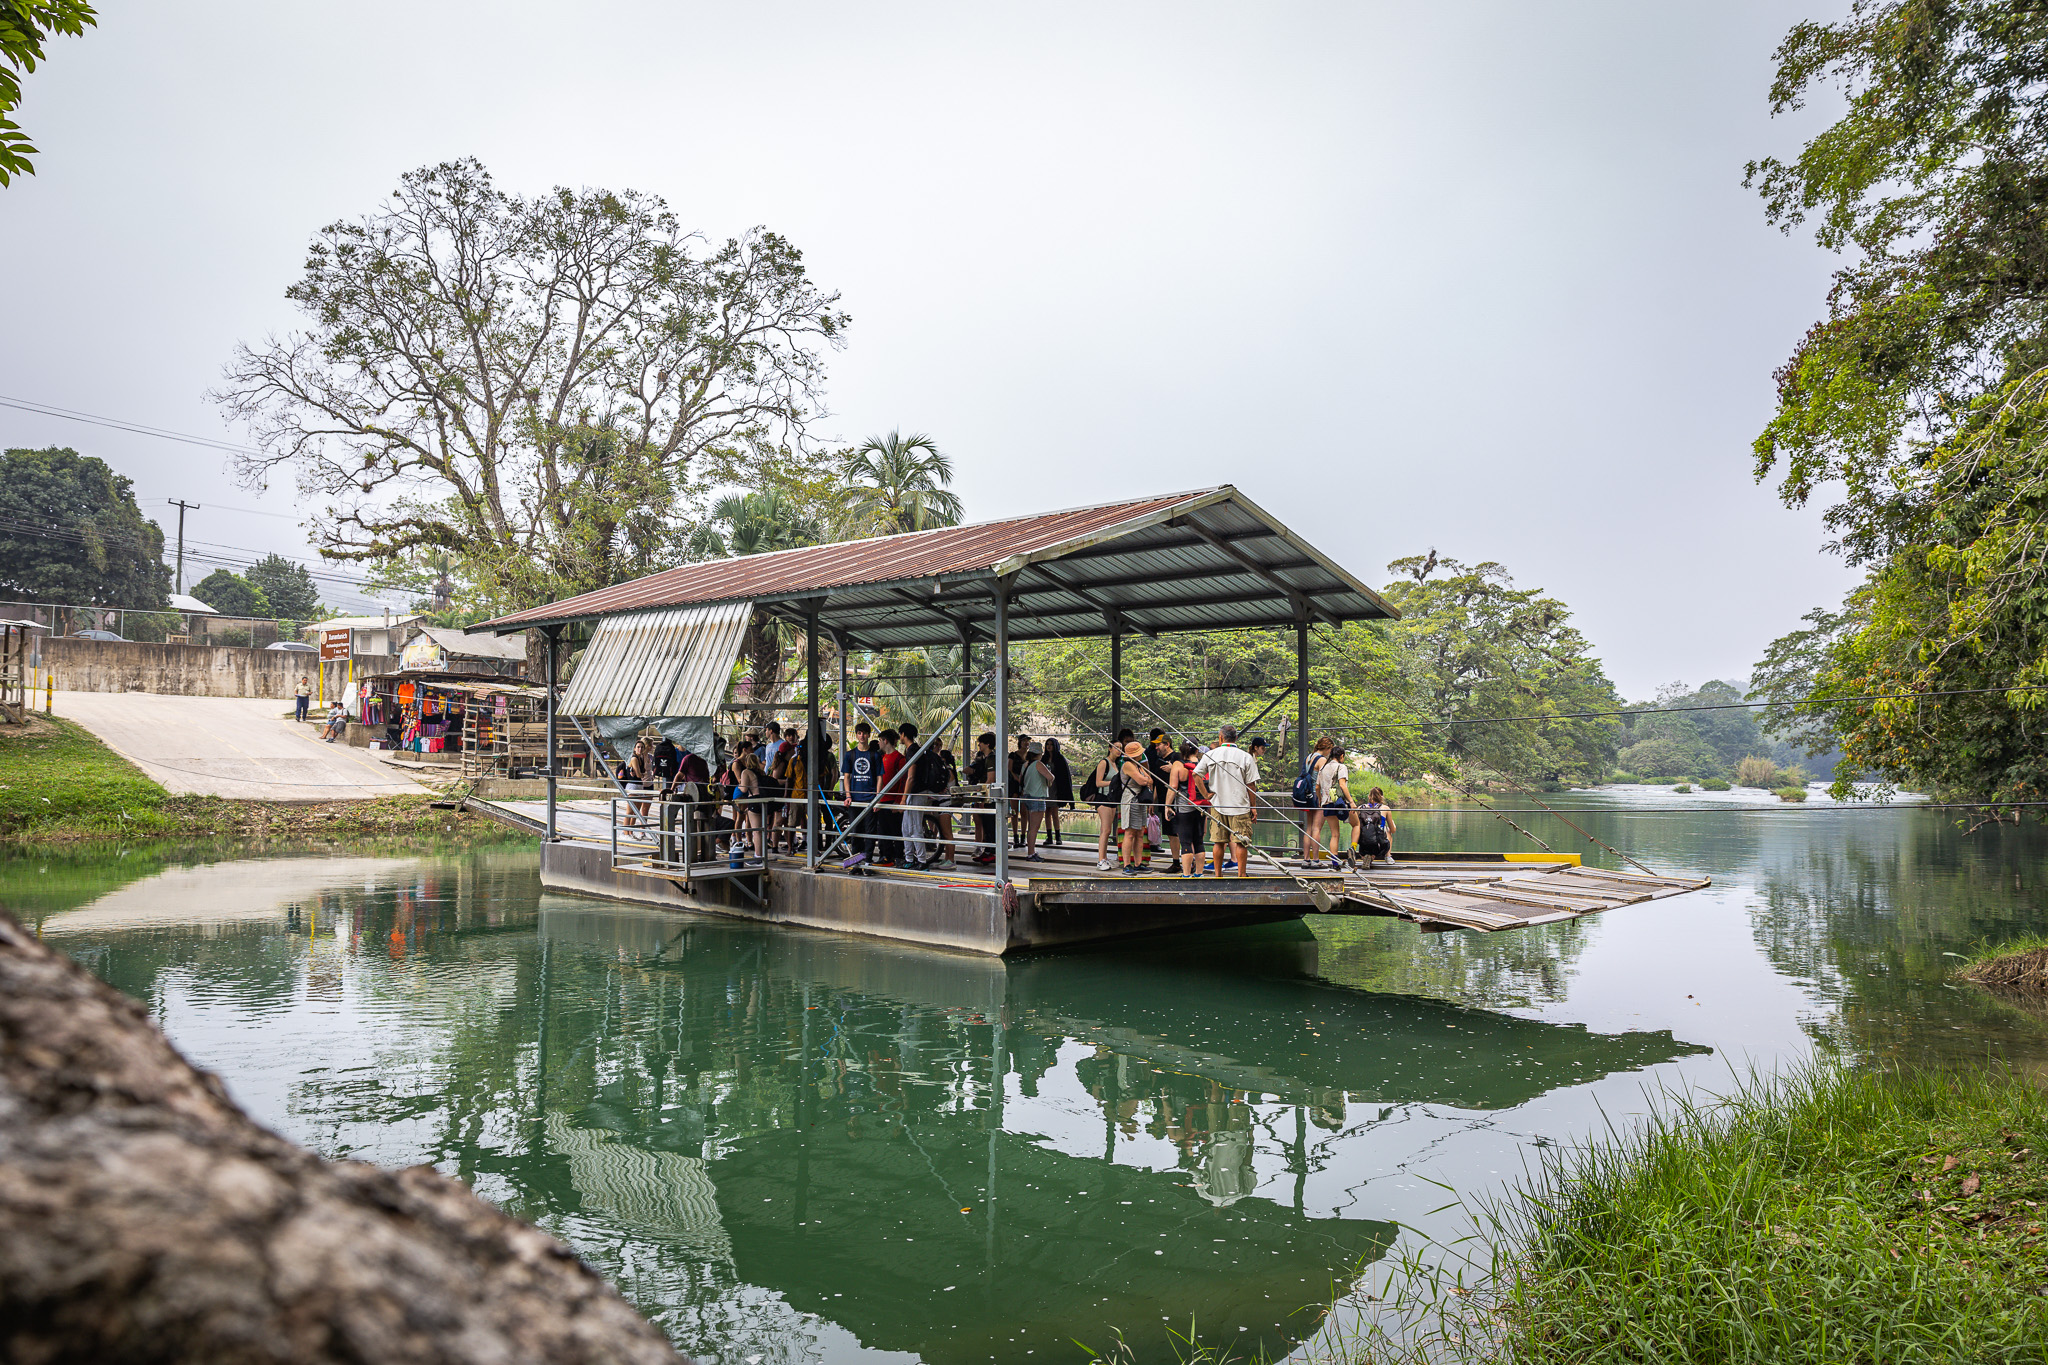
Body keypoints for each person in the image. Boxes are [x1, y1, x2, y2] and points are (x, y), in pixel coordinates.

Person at [1195, 724, 1260, 879]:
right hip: (1239, 805)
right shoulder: (1245, 756)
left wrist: (1205, 794)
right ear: (1236, 738)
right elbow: (1251, 785)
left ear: (1220, 737)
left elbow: (1196, 774)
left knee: (1218, 842)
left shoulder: (1211, 755)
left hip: (1217, 804)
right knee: (1241, 842)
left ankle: (1218, 875)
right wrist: (1253, 807)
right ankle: (1241, 874)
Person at [1167, 741, 1208, 876]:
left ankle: (1186, 874)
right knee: (1199, 841)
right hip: (1201, 806)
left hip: (1184, 808)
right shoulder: (1203, 763)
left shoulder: (1178, 765)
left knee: (1185, 842)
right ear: (1197, 750)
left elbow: (1173, 787)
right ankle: (1199, 873)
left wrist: (1168, 805)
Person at [1116, 741, 1156, 875]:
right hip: (1131, 799)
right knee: (1129, 832)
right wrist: (1146, 779)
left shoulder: (1138, 765)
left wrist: (1147, 779)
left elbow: (1150, 779)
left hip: (1140, 800)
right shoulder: (1128, 764)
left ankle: (1138, 863)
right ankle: (1127, 864)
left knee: (1139, 832)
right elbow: (1143, 781)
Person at [1084, 738, 1121, 871]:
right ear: (1110, 748)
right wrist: (1113, 783)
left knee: (1109, 829)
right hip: (1102, 797)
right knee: (1105, 829)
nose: (1119, 750)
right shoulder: (1104, 762)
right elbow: (1098, 782)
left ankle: (1104, 858)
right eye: (1116, 747)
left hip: (1112, 798)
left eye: (1120, 748)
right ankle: (1100, 860)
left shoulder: (1116, 764)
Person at [1314, 744, 1354, 869]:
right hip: (1339, 803)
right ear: (1341, 756)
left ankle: (1335, 863)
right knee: (1356, 824)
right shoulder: (1341, 767)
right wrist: (1351, 802)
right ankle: (1353, 850)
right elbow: (1342, 785)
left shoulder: (1323, 768)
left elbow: (1317, 787)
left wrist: (1321, 801)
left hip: (1326, 803)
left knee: (1334, 834)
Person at [842, 722, 878, 862]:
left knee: (869, 833)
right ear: (856, 735)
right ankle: (855, 862)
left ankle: (867, 861)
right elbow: (846, 777)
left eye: (864, 733)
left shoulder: (874, 755)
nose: (862, 736)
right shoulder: (850, 755)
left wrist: (877, 797)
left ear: (869, 735)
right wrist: (848, 795)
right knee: (855, 832)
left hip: (869, 799)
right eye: (859, 733)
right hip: (855, 800)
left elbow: (879, 777)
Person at [1297, 736, 1333, 860]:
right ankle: (1316, 859)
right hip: (1316, 796)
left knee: (1309, 828)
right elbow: (1321, 783)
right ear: (1327, 748)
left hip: (1307, 796)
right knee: (1317, 828)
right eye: (1330, 750)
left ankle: (1306, 859)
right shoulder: (1322, 760)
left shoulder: (1308, 757)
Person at [965, 731, 998, 864]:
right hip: (983, 796)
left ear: (987, 744)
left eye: (981, 742)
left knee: (989, 824)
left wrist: (981, 795)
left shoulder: (991, 758)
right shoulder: (983, 758)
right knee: (983, 823)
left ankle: (991, 852)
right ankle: (986, 850)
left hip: (988, 797)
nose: (979, 745)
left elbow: (990, 779)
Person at [1019, 741, 1055, 860]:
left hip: (1026, 797)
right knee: (1035, 827)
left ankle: (1031, 851)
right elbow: (1051, 777)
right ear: (1040, 753)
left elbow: (1020, 779)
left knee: (1030, 827)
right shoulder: (1038, 764)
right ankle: (1031, 853)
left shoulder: (1025, 765)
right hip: (1037, 797)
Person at [875, 728, 905, 866]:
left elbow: (902, 781)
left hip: (892, 800)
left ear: (885, 741)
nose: (879, 743)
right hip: (882, 800)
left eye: (880, 740)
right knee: (882, 830)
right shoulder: (882, 757)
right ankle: (885, 855)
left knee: (895, 830)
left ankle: (898, 855)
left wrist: (899, 800)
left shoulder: (899, 758)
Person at [1043, 737, 1073, 848]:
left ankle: (1058, 836)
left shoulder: (1060, 759)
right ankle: (1049, 836)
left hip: (1056, 788)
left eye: (1051, 744)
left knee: (1054, 813)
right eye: (1047, 744)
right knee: (1047, 813)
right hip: (1046, 788)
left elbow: (1065, 777)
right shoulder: (1044, 759)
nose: (1049, 746)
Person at [1359, 786, 1396, 867]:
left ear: (1369, 797)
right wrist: (1392, 823)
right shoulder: (1385, 808)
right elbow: (1393, 830)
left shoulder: (1361, 808)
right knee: (1387, 830)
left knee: (1363, 831)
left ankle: (1365, 856)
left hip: (1363, 843)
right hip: (1378, 843)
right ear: (1381, 797)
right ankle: (1388, 856)